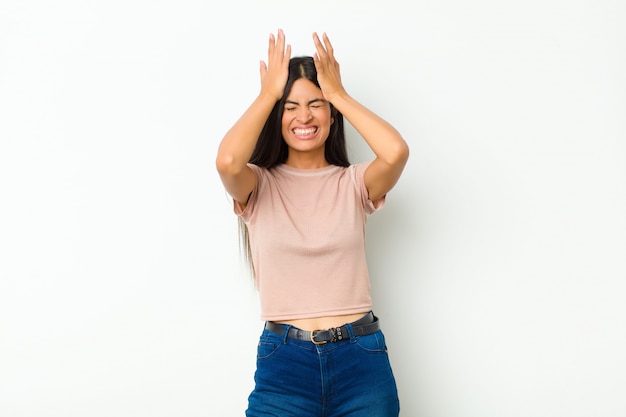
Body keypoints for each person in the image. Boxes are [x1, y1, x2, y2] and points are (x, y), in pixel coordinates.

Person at [216, 29, 409, 417]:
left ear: (331, 114)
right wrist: (267, 95)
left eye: (315, 104)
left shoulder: (354, 182)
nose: (304, 116)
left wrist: (338, 94)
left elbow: (395, 152)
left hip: (361, 360)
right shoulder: (258, 184)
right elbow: (227, 163)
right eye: (290, 106)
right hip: (284, 364)